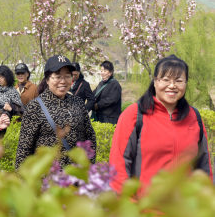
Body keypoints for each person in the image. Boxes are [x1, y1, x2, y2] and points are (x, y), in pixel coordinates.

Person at [109, 55, 213, 196]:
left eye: (179, 81)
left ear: (186, 83)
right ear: (155, 81)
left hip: (186, 212)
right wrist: (129, 204)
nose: (172, 86)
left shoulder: (194, 116)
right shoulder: (134, 114)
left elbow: (204, 167)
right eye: (166, 80)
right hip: (145, 211)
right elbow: (118, 165)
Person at [15, 55, 96, 170]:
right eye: (57, 76)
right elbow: (24, 148)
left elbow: (90, 137)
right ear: (47, 80)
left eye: (68, 76)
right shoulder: (35, 106)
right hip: (48, 178)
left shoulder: (77, 102)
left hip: (76, 178)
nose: (63, 81)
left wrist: (89, 168)